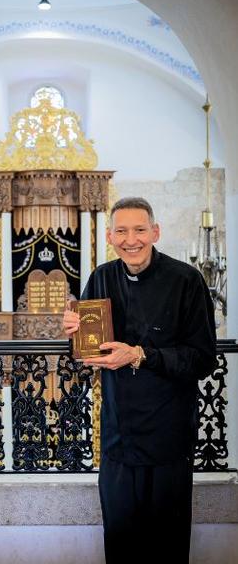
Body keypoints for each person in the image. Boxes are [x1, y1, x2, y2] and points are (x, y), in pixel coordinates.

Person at [63, 197, 217, 564]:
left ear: (155, 232)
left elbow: (203, 358)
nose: (131, 240)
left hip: (169, 440)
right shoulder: (101, 277)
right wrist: (72, 332)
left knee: (166, 545)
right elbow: (89, 352)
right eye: (121, 231)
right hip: (119, 438)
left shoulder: (187, 281)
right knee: (120, 543)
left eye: (139, 230)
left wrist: (139, 354)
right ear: (110, 236)